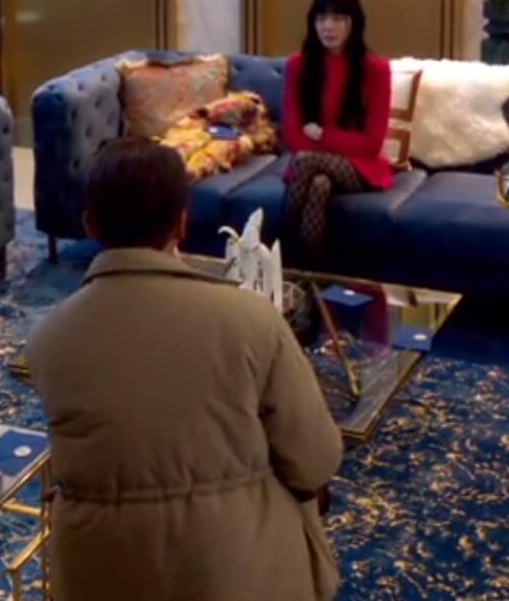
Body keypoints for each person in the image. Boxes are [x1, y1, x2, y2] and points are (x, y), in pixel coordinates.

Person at [26, 138, 344, 601]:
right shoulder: (251, 319)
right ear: (181, 221)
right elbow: (315, 458)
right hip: (235, 572)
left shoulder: (48, 340)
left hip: (100, 574)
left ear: (89, 224)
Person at [278, 0, 394, 254]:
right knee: (319, 186)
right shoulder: (298, 65)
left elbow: (371, 145)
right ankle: (308, 271)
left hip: (361, 167)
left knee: (305, 160)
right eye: (321, 18)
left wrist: (323, 135)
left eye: (337, 18)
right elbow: (292, 136)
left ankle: (278, 250)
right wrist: (338, 142)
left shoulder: (376, 69)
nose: (328, 27)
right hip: (311, 167)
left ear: (353, 22)